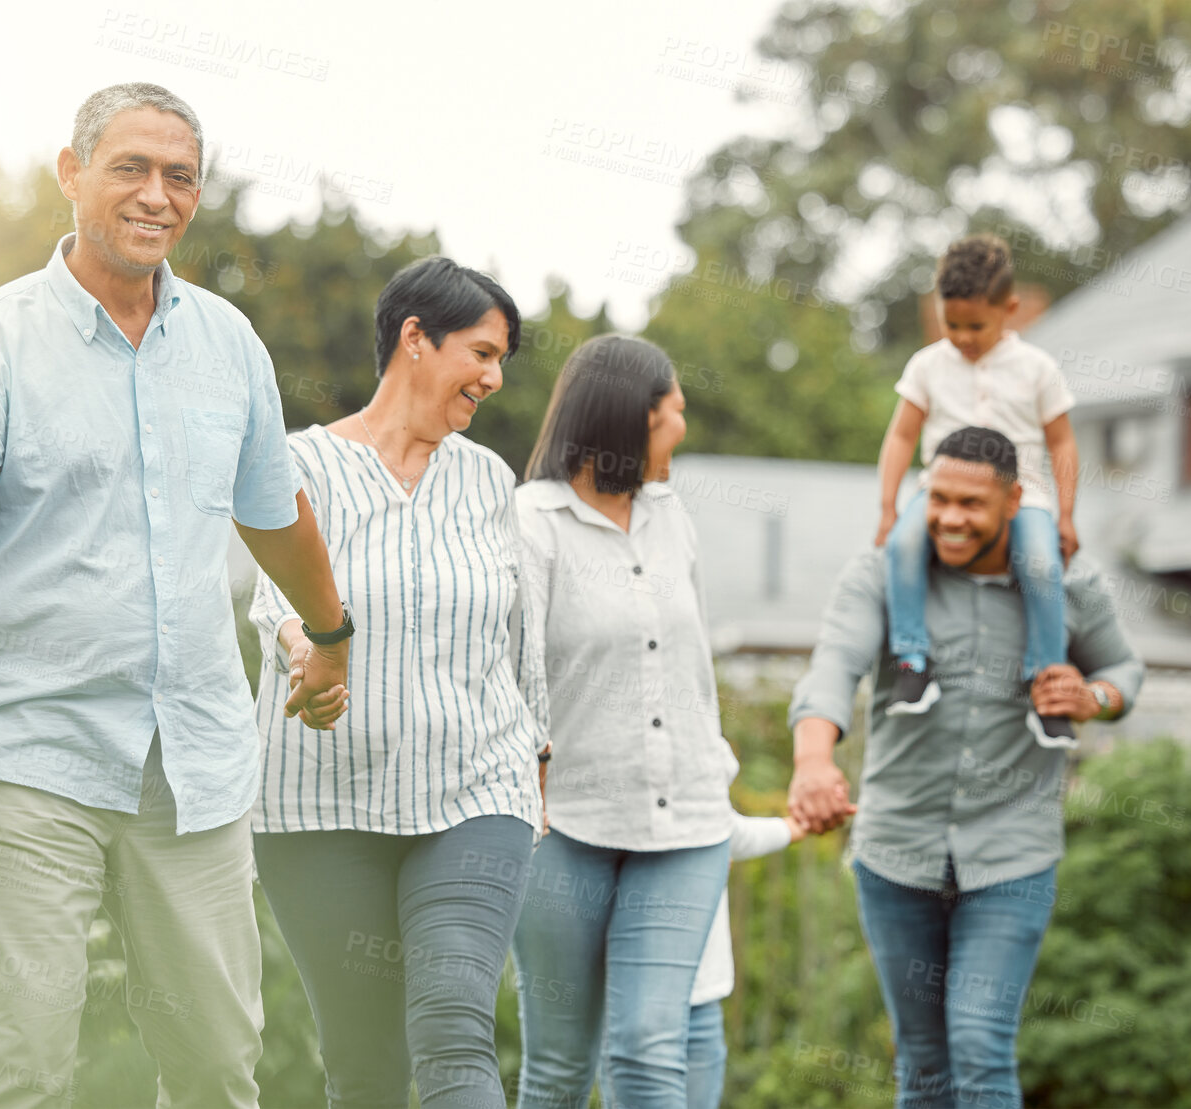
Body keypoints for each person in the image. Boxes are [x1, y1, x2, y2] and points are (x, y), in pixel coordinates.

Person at [0, 83, 350, 1109]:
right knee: (21, 1067)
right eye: (130, 167)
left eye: (178, 175)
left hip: (198, 764)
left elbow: (273, 513)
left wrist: (330, 633)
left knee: (218, 1065)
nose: (155, 194)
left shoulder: (228, 345)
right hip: (32, 759)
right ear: (72, 174)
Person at [248, 255, 547, 1109]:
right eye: (482, 353)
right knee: (365, 1061)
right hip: (320, 806)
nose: (492, 378)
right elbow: (275, 597)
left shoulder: (488, 480)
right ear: (415, 338)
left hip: (474, 793)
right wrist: (305, 654)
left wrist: (540, 763)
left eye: (501, 363)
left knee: (455, 1023)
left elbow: (521, 634)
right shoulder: (301, 463)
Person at [790, 426, 1143, 1109]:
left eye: (971, 505)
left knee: (981, 1047)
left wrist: (1093, 696)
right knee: (923, 1065)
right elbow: (832, 668)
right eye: (939, 498)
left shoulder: (1067, 582)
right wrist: (812, 760)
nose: (950, 518)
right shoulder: (880, 577)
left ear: (1014, 500)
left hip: (1013, 853)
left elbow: (1126, 668)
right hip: (897, 852)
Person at [509, 334, 736, 1109]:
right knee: (561, 1069)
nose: (683, 424)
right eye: (673, 410)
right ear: (627, 418)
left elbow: (694, 663)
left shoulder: (673, 518)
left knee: (645, 1049)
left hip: (686, 826)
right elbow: (514, 676)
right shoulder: (532, 522)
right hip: (565, 826)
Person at [872, 235, 1082, 746]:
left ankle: (1046, 679)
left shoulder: (1037, 369)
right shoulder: (928, 366)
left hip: (1022, 492)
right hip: (942, 492)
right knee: (903, 547)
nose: (962, 338)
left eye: (976, 326)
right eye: (952, 325)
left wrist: (1066, 513)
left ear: (1009, 309)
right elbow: (901, 435)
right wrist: (888, 507)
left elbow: (1062, 443)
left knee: (1040, 564)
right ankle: (912, 661)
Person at [598, 747, 809, 1109]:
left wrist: (795, 827)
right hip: (635, 1004)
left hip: (703, 997)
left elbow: (731, 831)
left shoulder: (702, 781)